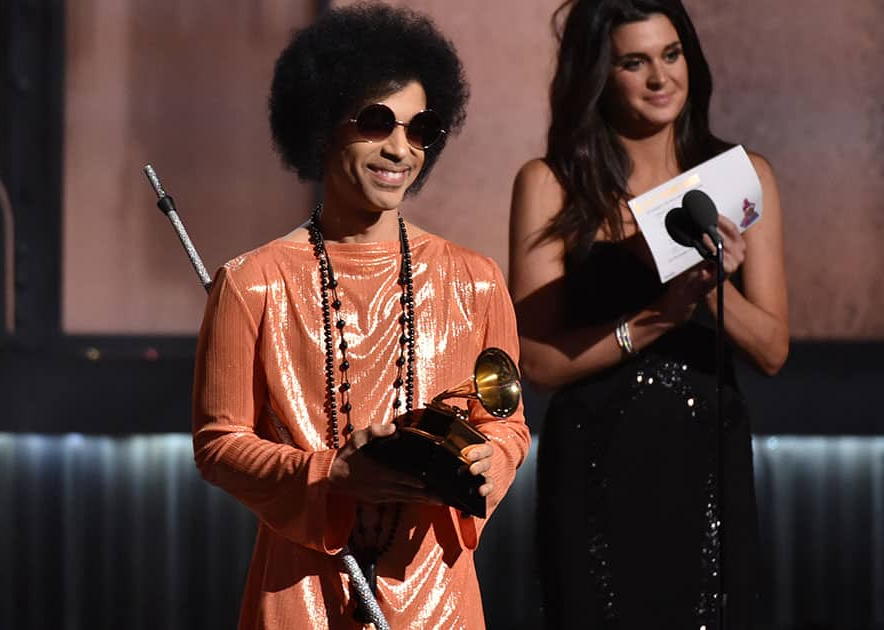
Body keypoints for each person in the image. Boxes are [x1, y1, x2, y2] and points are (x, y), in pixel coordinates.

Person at [192, 4, 531, 628]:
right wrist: (334, 475)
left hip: (438, 595)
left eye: (420, 128)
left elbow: (505, 425)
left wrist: (495, 460)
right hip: (301, 591)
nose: (400, 149)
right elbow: (218, 444)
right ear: (322, 126)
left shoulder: (477, 281)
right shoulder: (251, 283)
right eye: (377, 123)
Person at [508, 0, 788, 628]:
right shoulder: (552, 185)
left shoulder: (745, 179)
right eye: (635, 63)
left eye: (671, 55)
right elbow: (537, 363)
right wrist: (661, 316)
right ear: (598, 74)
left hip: (706, 462)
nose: (661, 79)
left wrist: (712, 293)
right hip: (595, 463)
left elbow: (772, 350)